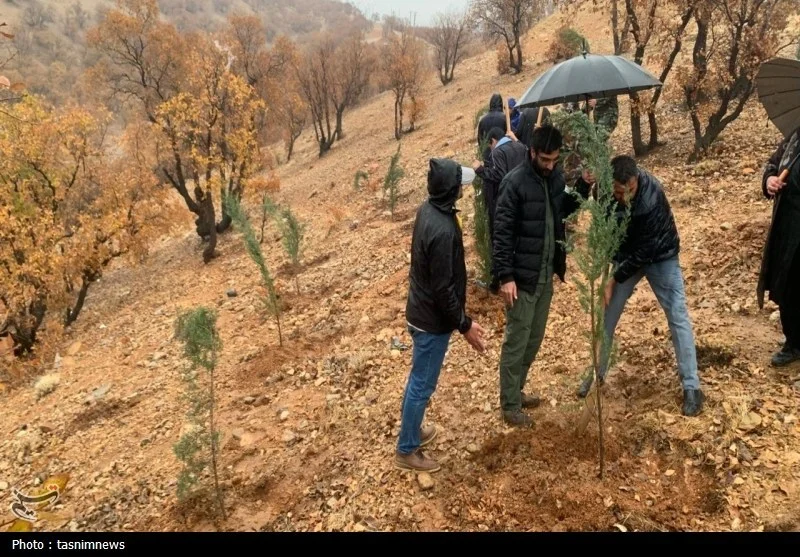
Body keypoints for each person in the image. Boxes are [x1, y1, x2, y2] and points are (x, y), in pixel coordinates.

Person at [575, 155, 705, 417]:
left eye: (631, 190)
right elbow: (604, 225)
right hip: (626, 255)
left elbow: (645, 252)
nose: (626, 197)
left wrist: (614, 279)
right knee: (606, 315)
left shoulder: (650, 196)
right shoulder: (603, 190)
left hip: (660, 255)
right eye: (621, 192)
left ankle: (692, 386)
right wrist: (606, 257)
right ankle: (596, 372)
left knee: (677, 315)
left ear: (636, 180)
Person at [396, 158, 487, 472]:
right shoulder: (444, 230)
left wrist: (477, 168)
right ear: (451, 191)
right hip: (430, 321)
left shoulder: (428, 209)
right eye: (459, 184)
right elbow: (443, 290)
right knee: (422, 383)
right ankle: (407, 449)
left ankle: (412, 429)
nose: (463, 188)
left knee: (418, 379)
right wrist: (465, 325)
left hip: (420, 311)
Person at [493, 124, 581, 427]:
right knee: (517, 340)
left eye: (554, 159)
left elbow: (563, 208)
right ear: (532, 152)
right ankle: (510, 404)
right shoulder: (513, 183)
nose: (550, 165)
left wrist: (582, 185)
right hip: (521, 278)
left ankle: (517, 390)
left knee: (534, 338)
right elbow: (501, 233)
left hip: (545, 274)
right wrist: (505, 276)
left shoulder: (555, 177)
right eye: (545, 159)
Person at [758, 126, 800, 367]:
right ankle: (793, 343)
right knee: (788, 286)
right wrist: (769, 180)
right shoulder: (794, 137)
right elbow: (773, 164)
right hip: (787, 228)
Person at [472, 126, 529, 292]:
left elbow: (500, 176)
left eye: (490, 146)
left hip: (505, 203)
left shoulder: (497, 152)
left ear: (493, 141)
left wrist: (480, 170)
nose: (491, 149)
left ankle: (496, 282)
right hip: (522, 201)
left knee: (500, 242)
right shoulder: (520, 146)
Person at [477, 93, 508, 164]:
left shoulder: (483, 120)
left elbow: (480, 140)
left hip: (488, 155)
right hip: (503, 154)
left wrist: (484, 153)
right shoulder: (504, 118)